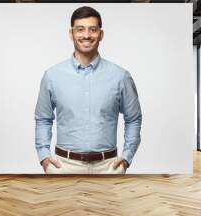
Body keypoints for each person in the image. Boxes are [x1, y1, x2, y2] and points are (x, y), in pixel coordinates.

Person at [35, 6, 142, 174]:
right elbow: (43, 118)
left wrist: (127, 157)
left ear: (101, 34)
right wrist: (44, 157)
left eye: (93, 29)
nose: (86, 35)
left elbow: (134, 118)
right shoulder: (52, 76)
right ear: (71, 34)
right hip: (63, 167)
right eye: (80, 29)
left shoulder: (120, 76)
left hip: (108, 167)